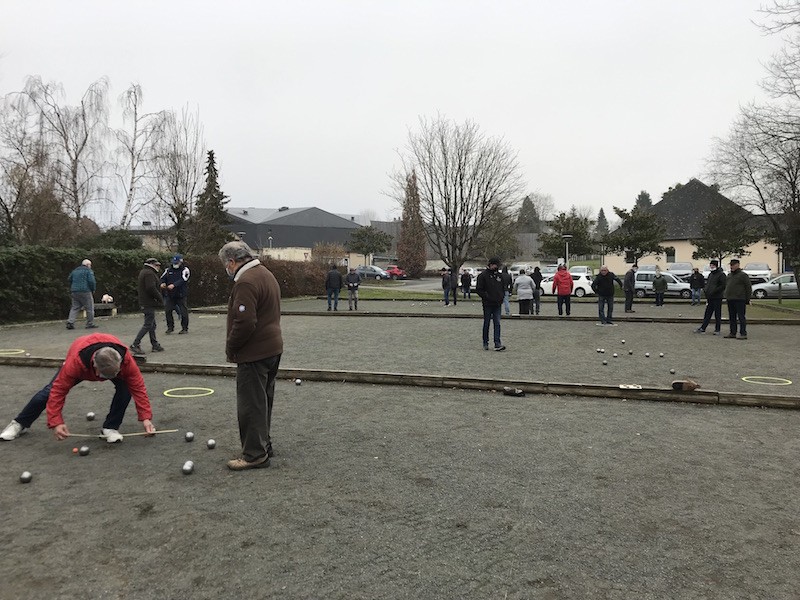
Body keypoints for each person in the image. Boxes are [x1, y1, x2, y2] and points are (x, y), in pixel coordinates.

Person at [0, 333, 156, 443]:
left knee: (126, 389)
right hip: (80, 351)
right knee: (47, 393)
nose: (105, 380)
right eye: (104, 376)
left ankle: (110, 428)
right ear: (95, 368)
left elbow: (138, 387)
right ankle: (19, 423)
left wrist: (146, 418)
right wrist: (56, 422)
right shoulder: (75, 364)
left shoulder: (126, 361)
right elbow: (58, 392)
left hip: (108, 356)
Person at [219, 241, 283, 470]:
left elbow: (245, 322)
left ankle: (255, 454)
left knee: (251, 405)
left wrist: (231, 347)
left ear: (232, 262)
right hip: (273, 348)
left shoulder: (245, 281)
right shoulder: (266, 273)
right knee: (263, 401)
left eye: (226, 265)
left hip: (254, 352)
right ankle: (264, 445)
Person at [131, 258, 164, 354]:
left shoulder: (144, 272)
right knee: (148, 324)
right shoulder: (149, 273)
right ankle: (135, 344)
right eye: (157, 265)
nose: (158, 267)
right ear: (152, 264)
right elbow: (151, 288)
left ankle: (155, 344)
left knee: (152, 325)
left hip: (145, 302)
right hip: (148, 302)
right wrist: (160, 298)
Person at [476, 257, 505, 351]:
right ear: (491, 265)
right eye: (496, 265)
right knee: (487, 323)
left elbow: (502, 288)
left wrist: (501, 297)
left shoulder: (499, 276)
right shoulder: (483, 276)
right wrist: (487, 297)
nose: (497, 267)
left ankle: (497, 343)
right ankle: (485, 342)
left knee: (497, 323)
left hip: (497, 303)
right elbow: (479, 289)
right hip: (487, 303)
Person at [160, 254, 191, 334]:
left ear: (181, 262)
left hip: (181, 294)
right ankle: (170, 327)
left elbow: (184, 279)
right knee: (168, 311)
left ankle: (184, 328)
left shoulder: (185, 270)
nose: (175, 264)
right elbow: (162, 278)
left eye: (177, 263)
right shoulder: (168, 270)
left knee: (183, 311)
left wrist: (174, 285)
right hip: (170, 295)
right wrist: (162, 283)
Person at [694, 260, 727, 335]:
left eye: (713, 265)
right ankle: (703, 328)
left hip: (717, 297)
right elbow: (708, 284)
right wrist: (706, 291)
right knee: (707, 313)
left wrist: (714, 291)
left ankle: (717, 329)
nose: (711, 266)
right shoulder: (710, 274)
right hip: (710, 297)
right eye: (711, 265)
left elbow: (722, 286)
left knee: (717, 314)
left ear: (716, 266)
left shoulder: (721, 275)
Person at [724, 258, 752, 340]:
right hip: (730, 299)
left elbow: (748, 287)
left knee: (741, 317)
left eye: (733, 265)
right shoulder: (729, 275)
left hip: (740, 299)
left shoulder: (743, 275)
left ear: (738, 265)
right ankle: (732, 332)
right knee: (732, 317)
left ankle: (743, 333)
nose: (731, 266)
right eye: (730, 265)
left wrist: (747, 299)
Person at [66, 259, 98, 330]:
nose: (90, 266)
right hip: (85, 291)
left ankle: (70, 322)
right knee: (89, 308)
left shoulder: (75, 271)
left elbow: (69, 279)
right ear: (87, 265)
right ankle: (90, 323)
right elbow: (91, 281)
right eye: (90, 265)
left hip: (74, 291)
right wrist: (93, 289)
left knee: (75, 307)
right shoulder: (88, 271)